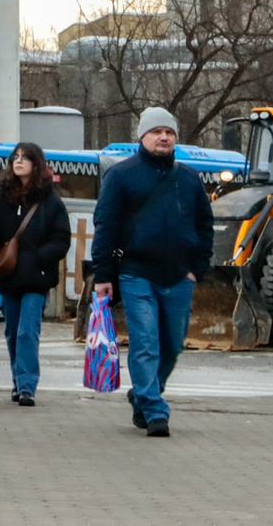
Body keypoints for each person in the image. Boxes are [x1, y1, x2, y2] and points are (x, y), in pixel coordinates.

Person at [89, 107, 213, 438]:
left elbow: (205, 224)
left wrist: (197, 269)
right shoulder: (121, 175)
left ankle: (144, 394)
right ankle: (156, 409)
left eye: (169, 132)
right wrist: (103, 275)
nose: (163, 137)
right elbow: (106, 227)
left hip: (179, 277)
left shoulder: (188, 178)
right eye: (157, 131)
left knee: (172, 345)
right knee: (146, 342)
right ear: (142, 136)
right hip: (135, 273)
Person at [0, 140, 70, 406]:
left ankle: (27, 385)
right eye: (15, 157)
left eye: (24, 157)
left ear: (36, 164)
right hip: (9, 276)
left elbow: (61, 238)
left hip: (37, 278)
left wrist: (40, 258)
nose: (18, 161)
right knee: (13, 331)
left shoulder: (51, 202)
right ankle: (18, 380)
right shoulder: (0, 197)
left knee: (28, 331)